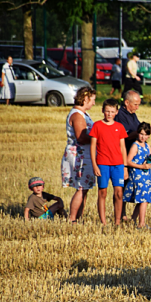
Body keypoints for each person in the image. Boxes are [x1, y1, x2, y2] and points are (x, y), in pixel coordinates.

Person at [89, 98, 128, 225]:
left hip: (118, 165)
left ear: (116, 112)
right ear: (102, 111)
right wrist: (94, 165)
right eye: (107, 111)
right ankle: (103, 222)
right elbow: (93, 146)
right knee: (102, 192)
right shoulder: (97, 126)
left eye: (112, 111)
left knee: (119, 193)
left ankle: (117, 221)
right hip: (102, 164)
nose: (109, 114)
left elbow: (123, 147)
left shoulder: (120, 127)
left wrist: (125, 166)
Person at [61, 86, 97, 223]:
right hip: (80, 155)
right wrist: (98, 138)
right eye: (92, 100)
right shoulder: (77, 115)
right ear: (85, 99)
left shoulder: (82, 113)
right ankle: (72, 218)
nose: (93, 103)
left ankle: (78, 217)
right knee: (82, 188)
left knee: (85, 187)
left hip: (84, 153)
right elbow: (81, 137)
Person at [123, 122, 151, 229]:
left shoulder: (147, 146)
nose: (143, 137)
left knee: (143, 199)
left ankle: (134, 219)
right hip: (137, 175)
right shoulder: (135, 146)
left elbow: (149, 163)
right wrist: (141, 167)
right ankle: (141, 224)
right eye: (141, 134)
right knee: (144, 200)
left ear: (149, 136)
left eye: (146, 135)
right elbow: (128, 161)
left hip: (146, 176)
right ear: (138, 133)